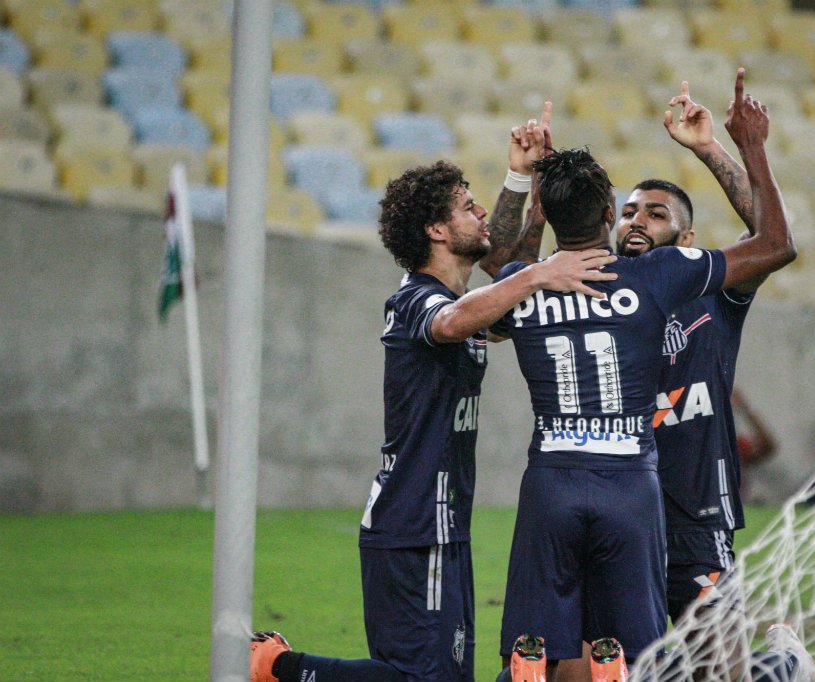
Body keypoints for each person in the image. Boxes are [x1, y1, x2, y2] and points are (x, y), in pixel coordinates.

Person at [250, 151, 617, 682]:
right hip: (412, 521)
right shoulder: (414, 300)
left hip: (444, 524)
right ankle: (277, 666)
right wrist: (540, 273)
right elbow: (451, 322)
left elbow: (508, 284)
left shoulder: (467, 306)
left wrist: (525, 183)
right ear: (436, 230)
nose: (481, 213)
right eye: (468, 207)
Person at [489, 69, 797, 681]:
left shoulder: (708, 290)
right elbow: (508, 276)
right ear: (609, 216)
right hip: (621, 498)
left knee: (718, 673)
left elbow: (769, 238)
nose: (636, 221)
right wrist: (542, 193)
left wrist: (712, 149)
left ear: (687, 238)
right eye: (628, 210)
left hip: (692, 514)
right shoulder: (588, 283)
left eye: (655, 214)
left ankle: (784, 666)